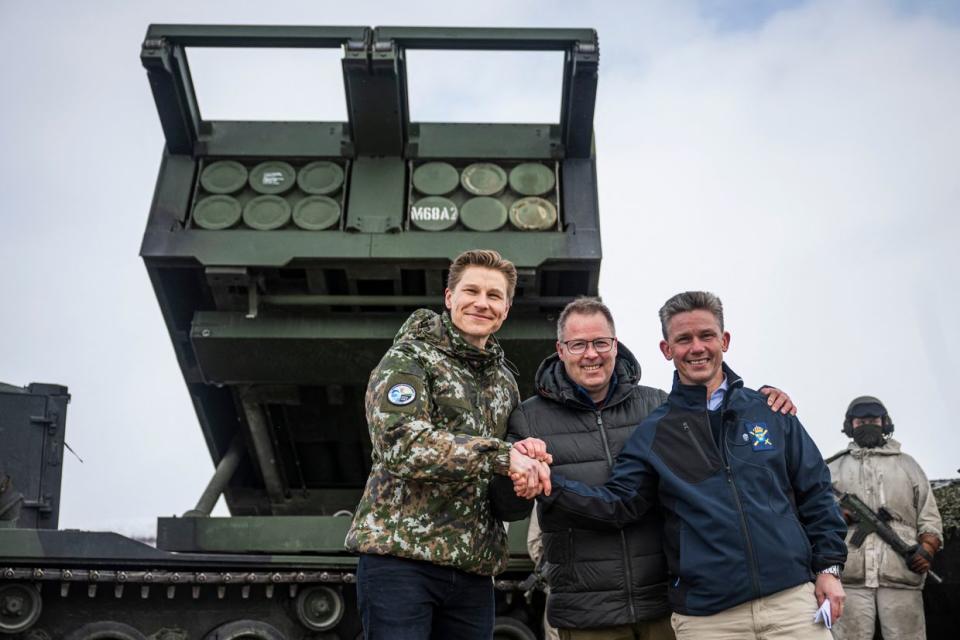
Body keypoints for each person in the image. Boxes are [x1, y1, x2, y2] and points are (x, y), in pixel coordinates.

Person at [527, 291, 847, 640]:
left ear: (724, 340)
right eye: (683, 339)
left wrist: (829, 568)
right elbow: (618, 504)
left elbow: (816, 491)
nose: (697, 348)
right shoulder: (653, 430)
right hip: (708, 619)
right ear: (667, 350)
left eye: (706, 336)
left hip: (792, 605)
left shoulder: (770, 411)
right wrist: (548, 483)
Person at [345, 249, 551, 640]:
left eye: (494, 296)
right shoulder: (408, 359)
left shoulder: (504, 383)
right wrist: (505, 457)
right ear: (449, 298)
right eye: (471, 291)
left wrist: (525, 475)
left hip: (472, 572)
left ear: (506, 309)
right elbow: (401, 444)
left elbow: (499, 485)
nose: (481, 303)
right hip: (402, 561)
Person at [827, 396, 943, 640]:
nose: (867, 424)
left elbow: (929, 517)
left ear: (885, 423)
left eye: (873, 420)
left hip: (901, 573)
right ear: (850, 426)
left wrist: (926, 550)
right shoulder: (833, 467)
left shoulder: (908, 465)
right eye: (861, 421)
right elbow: (813, 514)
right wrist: (835, 514)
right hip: (849, 577)